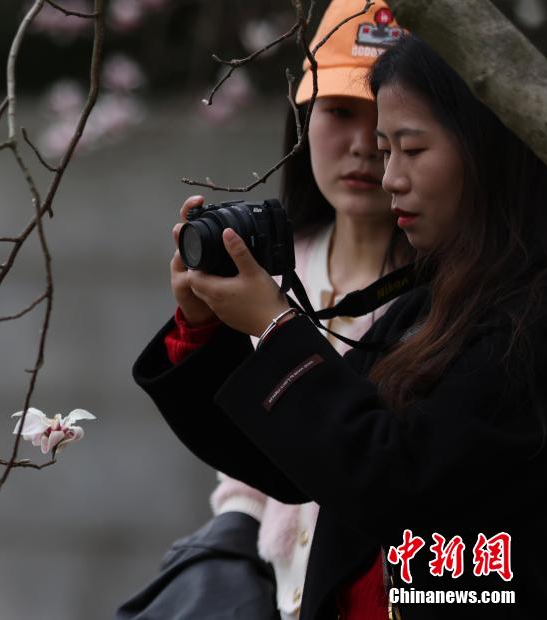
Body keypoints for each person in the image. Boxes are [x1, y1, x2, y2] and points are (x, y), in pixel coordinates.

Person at [132, 31, 547, 620]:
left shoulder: (536, 321)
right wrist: (201, 329)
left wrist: (278, 326)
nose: (389, 177)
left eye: (410, 149)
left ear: (488, 150)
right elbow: (296, 461)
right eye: (388, 152)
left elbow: (393, 481)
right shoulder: (431, 304)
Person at [117, 2, 409, 618]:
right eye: (338, 111)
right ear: (301, 118)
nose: (362, 144)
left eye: (386, 118)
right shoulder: (276, 262)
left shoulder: (456, 290)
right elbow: (251, 466)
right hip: (274, 591)